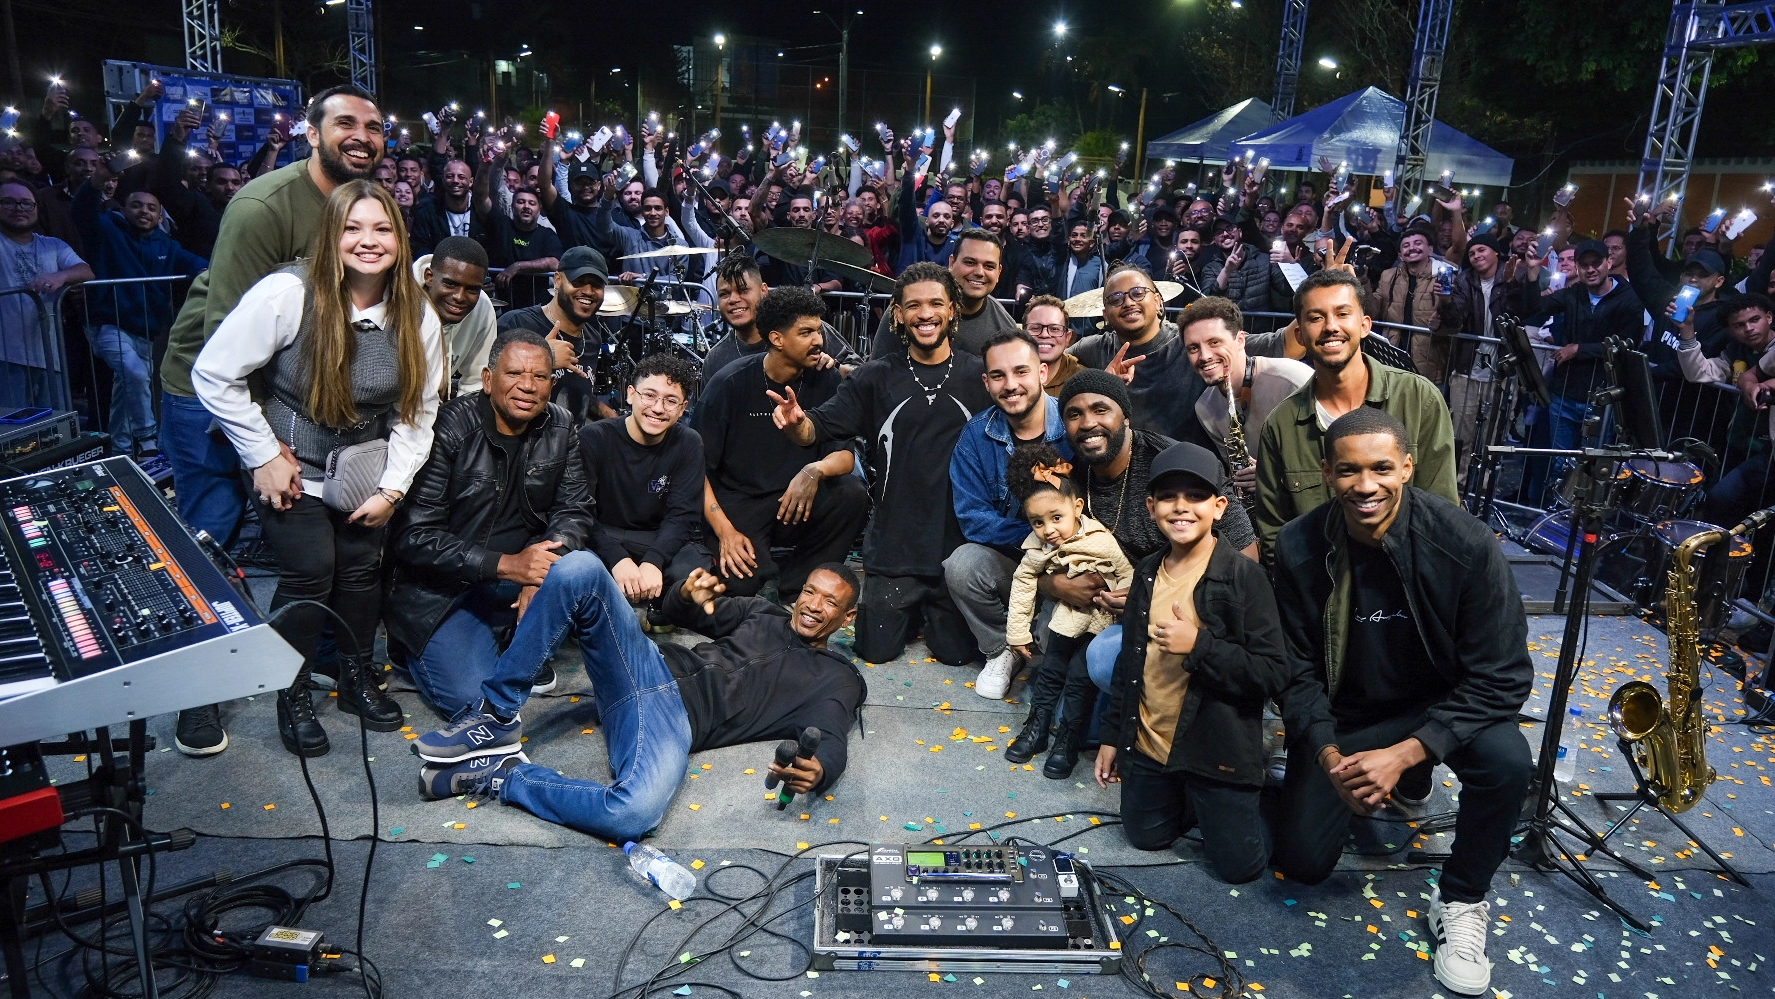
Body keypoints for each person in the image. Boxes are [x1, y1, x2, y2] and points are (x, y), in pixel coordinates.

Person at [1273, 408, 1531, 996]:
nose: (1366, 486)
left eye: (1382, 468)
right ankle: (1343, 781)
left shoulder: (1463, 541)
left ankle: (1462, 900)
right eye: (1349, 470)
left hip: (1448, 703)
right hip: (1354, 712)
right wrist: (1326, 755)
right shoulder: (1298, 546)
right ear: (1326, 472)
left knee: (1509, 762)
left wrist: (1411, 751)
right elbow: (1297, 671)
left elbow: (1505, 676)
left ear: (1408, 466)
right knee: (1305, 862)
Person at [192, 179, 442, 758]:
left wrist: (393, 489)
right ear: (332, 235)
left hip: (361, 466)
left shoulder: (415, 311)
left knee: (359, 568)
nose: (368, 241)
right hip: (287, 464)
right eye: (353, 227)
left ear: (400, 239)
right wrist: (260, 454)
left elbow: (417, 411)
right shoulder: (289, 292)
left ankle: (355, 679)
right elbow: (212, 373)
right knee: (312, 569)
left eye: (381, 228)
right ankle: (292, 689)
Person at [408, 559, 865, 843]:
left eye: (829, 602)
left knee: (633, 813)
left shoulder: (837, 678)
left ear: (848, 617)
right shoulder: (762, 612)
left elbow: (831, 736)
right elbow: (684, 612)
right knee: (582, 568)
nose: (812, 605)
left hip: (669, 724)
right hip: (643, 666)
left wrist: (821, 768)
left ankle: (499, 777)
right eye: (809, 591)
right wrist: (687, 594)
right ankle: (497, 714)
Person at [161, 83, 385, 574]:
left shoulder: (365, 206)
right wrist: (264, 444)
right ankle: (202, 642)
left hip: (287, 392)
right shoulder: (263, 207)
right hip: (211, 388)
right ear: (311, 134)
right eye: (345, 124)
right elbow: (223, 334)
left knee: (310, 546)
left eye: (373, 127)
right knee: (212, 532)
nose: (362, 137)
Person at [769, 263, 993, 669]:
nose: (925, 314)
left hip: (956, 547)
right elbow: (813, 429)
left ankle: (933, 615)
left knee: (957, 655)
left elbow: (1027, 405)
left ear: (953, 311)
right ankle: (908, 614)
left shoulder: (980, 374)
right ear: (898, 315)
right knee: (876, 650)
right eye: (914, 305)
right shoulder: (874, 377)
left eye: (936, 304)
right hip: (896, 547)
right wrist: (795, 423)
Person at [1095, 442, 1287, 884]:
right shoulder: (1146, 571)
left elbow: (1272, 673)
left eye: (1196, 497)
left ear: (1220, 507)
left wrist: (1199, 645)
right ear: (1151, 506)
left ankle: (1266, 797)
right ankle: (1188, 797)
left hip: (1215, 746)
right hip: (1151, 742)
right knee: (1146, 836)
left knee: (1240, 868)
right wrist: (1112, 737)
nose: (1181, 508)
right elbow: (1130, 664)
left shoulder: (1244, 577)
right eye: (1168, 496)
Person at [385, 327, 594, 719]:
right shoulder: (448, 428)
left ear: (552, 383)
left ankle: (504, 637)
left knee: (586, 572)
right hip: (442, 592)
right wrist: (509, 565)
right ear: (487, 379)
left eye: (540, 377)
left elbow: (575, 510)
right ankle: (415, 649)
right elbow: (413, 536)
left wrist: (539, 573)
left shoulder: (562, 426)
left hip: (514, 580)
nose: (527, 386)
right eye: (514, 373)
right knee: (478, 703)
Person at [1253, 269, 1458, 563]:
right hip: (1319, 592)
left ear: (1364, 325)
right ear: (1299, 334)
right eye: (1315, 317)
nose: (1330, 327)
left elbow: (1442, 511)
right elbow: (1275, 533)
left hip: (1403, 584)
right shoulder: (1282, 424)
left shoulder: (1418, 399)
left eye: (1342, 313)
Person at [697, 287, 868, 600]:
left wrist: (813, 472)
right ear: (776, 339)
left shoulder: (825, 378)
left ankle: (799, 585)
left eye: (818, 330)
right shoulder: (729, 383)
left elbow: (845, 456)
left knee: (851, 494)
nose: (818, 340)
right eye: (806, 332)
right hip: (740, 501)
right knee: (739, 587)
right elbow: (695, 470)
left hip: (796, 497)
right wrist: (725, 532)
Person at [948, 331, 1075, 695]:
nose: (1011, 385)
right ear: (987, 383)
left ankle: (1038, 640)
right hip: (1015, 564)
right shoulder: (975, 436)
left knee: (1053, 664)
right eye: (999, 376)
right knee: (962, 564)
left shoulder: (1073, 426)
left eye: (1021, 371)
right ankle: (1002, 648)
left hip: (1071, 564)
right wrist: (1037, 536)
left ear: (1043, 372)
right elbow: (972, 517)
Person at [1002, 442, 1133, 778]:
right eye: (1037, 522)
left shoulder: (1101, 540)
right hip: (1064, 621)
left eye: (1056, 518)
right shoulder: (1039, 548)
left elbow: (1127, 573)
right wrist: (1017, 632)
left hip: (1099, 624)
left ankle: (1068, 740)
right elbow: (1023, 582)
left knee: (1080, 678)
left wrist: (1121, 603)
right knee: (1050, 671)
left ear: (1077, 507)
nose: (1048, 530)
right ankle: (1037, 728)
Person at [70, 167, 207, 456]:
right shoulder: (108, 230)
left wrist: (210, 272)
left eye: (151, 208)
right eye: (136, 205)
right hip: (108, 324)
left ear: (160, 216)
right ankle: (147, 438)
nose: (144, 211)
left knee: (126, 388)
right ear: (124, 208)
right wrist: (95, 183)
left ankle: (119, 449)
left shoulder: (167, 245)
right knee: (133, 373)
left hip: (147, 331)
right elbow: (82, 213)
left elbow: (198, 264)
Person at [579, 353, 714, 620]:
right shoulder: (594, 437)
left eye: (670, 400)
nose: (658, 408)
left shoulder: (689, 442)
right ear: (630, 394)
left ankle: (654, 607)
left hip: (655, 536)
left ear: (683, 406)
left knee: (695, 573)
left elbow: (682, 515)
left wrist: (654, 560)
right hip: (603, 534)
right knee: (573, 563)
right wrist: (618, 559)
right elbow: (580, 511)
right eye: (649, 395)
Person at [1181, 297, 1312, 500]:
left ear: (1241, 340)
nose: (1204, 356)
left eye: (1214, 342)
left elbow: (1334, 454)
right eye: (1193, 348)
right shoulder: (1205, 408)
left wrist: (1275, 477)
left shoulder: (1293, 380)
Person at [1068, 263, 1207, 443]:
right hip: (1124, 464)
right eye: (1116, 299)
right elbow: (1044, 367)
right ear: (1106, 315)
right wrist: (1103, 387)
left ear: (1158, 301)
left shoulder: (1189, 340)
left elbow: (1244, 345)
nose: (1128, 303)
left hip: (1184, 462)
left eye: (1138, 293)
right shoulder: (1094, 348)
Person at [1673, 294, 1775, 528]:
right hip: (1738, 443)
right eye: (1739, 325)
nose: (1748, 328)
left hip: (1767, 451)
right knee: (1722, 507)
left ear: (1769, 317)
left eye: (1755, 319)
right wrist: (1687, 330)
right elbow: (1699, 372)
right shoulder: (1736, 351)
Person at [496, 245, 613, 424]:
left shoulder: (592, 338)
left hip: (570, 446)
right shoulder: (516, 323)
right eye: (579, 282)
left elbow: (577, 389)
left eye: (596, 285)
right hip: (524, 445)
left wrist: (607, 413)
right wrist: (544, 358)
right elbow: (493, 388)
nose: (588, 291)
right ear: (558, 280)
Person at [0, 178, 91, 408]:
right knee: (13, 434)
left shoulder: (54, 245)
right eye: (9, 202)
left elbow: (85, 271)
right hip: (5, 358)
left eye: (26, 203)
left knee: (56, 431)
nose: (19, 208)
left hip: (50, 355)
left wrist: (59, 276)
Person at [871, 227, 1018, 358]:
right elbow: (877, 376)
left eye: (989, 266)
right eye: (970, 263)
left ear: (998, 272)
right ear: (952, 263)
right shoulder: (910, 309)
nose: (979, 272)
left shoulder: (1005, 328)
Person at [415, 236, 497, 399]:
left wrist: (461, 422)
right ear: (429, 277)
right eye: (450, 284)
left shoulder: (482, 306)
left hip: (435, 410)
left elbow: (476, 381)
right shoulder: (399, 301)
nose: (460, 297)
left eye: (472, 289)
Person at [700, 254, 771, 380]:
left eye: (743, 290)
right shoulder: (714, 360)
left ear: (763, 291)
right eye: (724, 294)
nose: (733, 299)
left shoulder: (793, 339)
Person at [410, 158, 478, 256]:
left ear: (471, 182)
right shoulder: (427, 212)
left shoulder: (480, 211)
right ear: (443, 180)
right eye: (450, 176)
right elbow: (420, 249)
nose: (455, 180)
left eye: (461, 177)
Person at [1025, 293, 1082, 394]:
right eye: (1035, 328)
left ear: (1067, 338)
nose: (1045, 334)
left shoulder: (1083, 380)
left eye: (1054, 329)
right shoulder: (1009, 375)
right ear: (1023, 334)